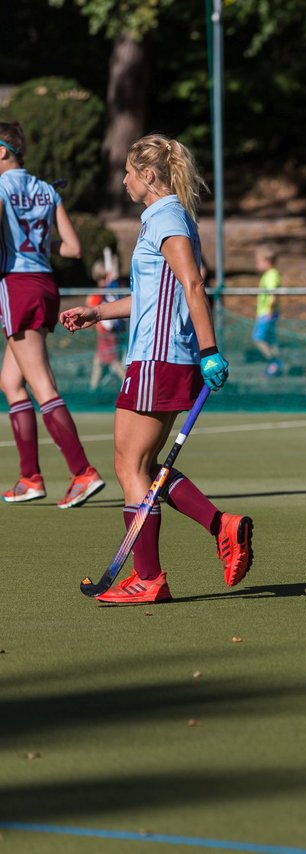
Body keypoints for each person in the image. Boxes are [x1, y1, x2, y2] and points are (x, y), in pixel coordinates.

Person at [60, 133, 253, 604]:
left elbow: (192, 283)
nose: (123, 180)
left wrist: (210, 350)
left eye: (128, 171)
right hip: (160, 358)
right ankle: (221, 526)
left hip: (157, 358)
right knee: (143, 467)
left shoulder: (166, 216)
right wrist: (99, 312)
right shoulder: (164, 219)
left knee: (129, 465)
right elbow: (153, 296)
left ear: (148, 176)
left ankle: (150, 578)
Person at [0, 120, 105, 508]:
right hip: (45, 284)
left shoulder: (2, 186)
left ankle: (83, 472)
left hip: (18, 285)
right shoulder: (46, 189)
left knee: (42, 384)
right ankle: (30, 478)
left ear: (1, 152)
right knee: (11, 382)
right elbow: (74, 248)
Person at [87, 258, 127, 391]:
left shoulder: (109, 291)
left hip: (108, 332)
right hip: (103, 332)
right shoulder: (105, 291)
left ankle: (129, 386)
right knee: (98, 362)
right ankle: (93, 390)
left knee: (113, 362)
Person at [252, 245, 283, 377]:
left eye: (258, 261)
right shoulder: (268, 275)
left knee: (258, 338)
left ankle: (275, 363)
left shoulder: (271, 275)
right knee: (270, 340)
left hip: (267, 314)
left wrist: (269, 310)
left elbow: (272, 294)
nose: (256, 264)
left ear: (267, 261)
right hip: (265, 313)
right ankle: (275, 365)